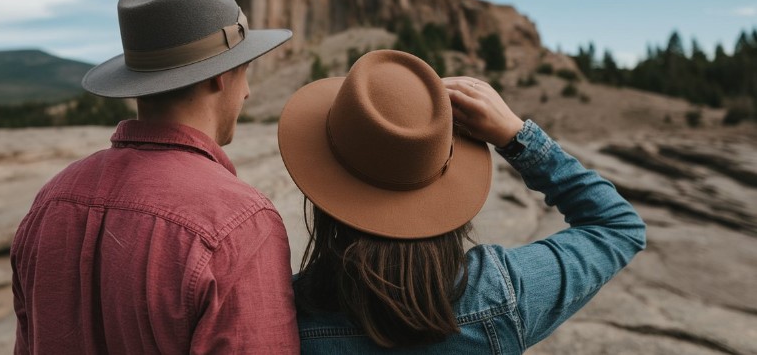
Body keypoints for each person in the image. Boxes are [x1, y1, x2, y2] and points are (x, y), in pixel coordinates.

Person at [11, 0, 299, 353]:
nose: (247, 92)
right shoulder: (239, 224)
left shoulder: (49, 201)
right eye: (244, 70)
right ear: (220, 75)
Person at [277, 49, 646, 353]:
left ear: (322, 190)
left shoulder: (283, 317)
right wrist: (516, 136)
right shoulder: (505, 293)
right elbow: (618, 226)